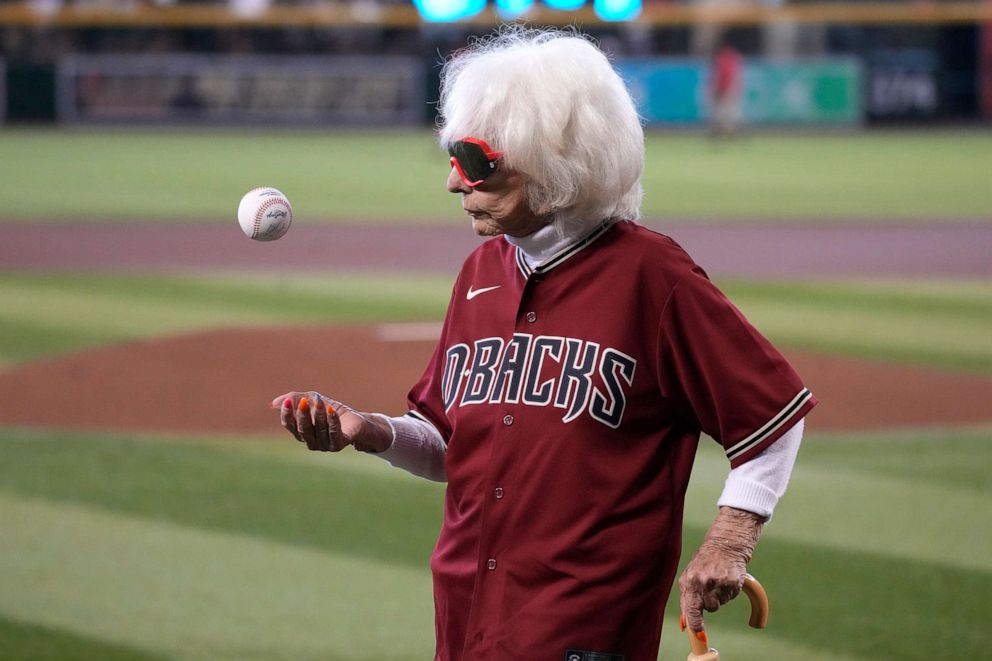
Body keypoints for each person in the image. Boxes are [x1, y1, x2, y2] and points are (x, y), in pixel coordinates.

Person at [272, 27, 816, 661]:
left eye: (476, 161)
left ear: (559, 163)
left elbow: (772, 418)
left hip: (581, 629)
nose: (454, 183)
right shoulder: (479, 274)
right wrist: (370, 432)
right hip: (466, 614)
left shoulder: (652, 277)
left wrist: (731, 536)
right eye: (452, 155)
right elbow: (454, 447)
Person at [710, 37, 744, 138]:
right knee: (726, 112)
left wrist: (722, 88)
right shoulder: (733, 57)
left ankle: (726, 132)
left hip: (726, 88)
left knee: (724, 112)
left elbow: (724, 75)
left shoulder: (724, 58)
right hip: (728, 88)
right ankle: (726, 131)